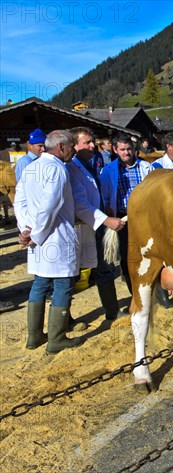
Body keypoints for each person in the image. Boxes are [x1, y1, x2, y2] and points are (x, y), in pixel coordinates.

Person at [14, 130, 83, 354]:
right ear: (61, 147)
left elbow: (20, 200)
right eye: (71, 146)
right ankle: (57, 338)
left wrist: (25, 229)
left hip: (36, 237)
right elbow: (49, 206)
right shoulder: (57, 169)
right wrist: (35, 234)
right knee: (62, 285)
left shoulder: (31, 167)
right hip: (55, 237)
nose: (73, 150)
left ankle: (34, 337)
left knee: (40, 284)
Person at [68, 127, 127, 323]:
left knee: (106, 268)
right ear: (75, 146)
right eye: (87, 142)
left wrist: (105, 210)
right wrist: (106, 219)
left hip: (97, 227)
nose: (93, 145)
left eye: (93, 141)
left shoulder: (90, 165)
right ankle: (65, 319)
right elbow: (81, 204)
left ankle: (112, 311)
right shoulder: (73, 169)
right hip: (83, 229)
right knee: (70, 275)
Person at [99, 134, 152, 293]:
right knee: (127, 256)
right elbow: (105, 195)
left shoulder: (145, 167)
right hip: (122, 219)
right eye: (122, 149)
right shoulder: (108, 171)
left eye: (129, 149)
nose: (126, 152)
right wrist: (108, 208)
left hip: (143, 218)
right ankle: (133, 290)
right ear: (115, 150)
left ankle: (151, 288)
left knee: (147, 252)